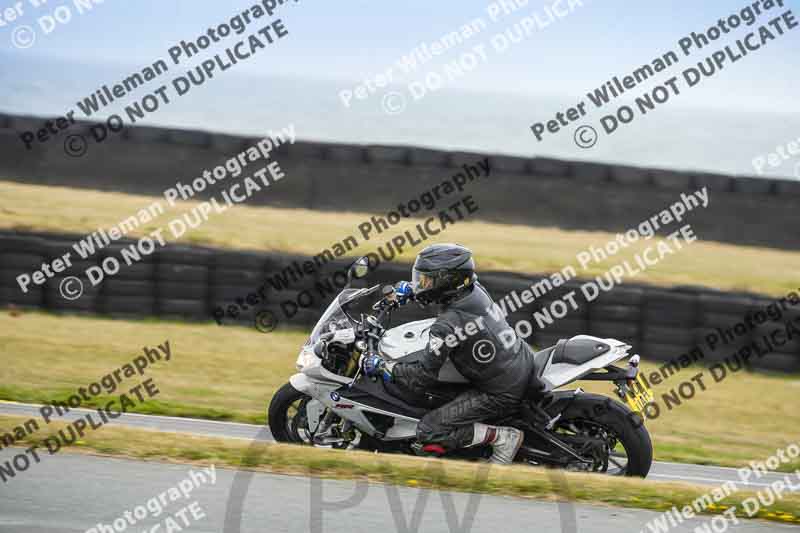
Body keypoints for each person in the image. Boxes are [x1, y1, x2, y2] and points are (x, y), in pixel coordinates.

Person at [360, 243, 545, 464]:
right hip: (516, 360)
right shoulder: (474, 291)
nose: (421, 283)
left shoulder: (447, 324)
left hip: (499, 391)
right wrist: (412, 289)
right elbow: (435, 293)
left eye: (426, 279)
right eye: (420, 278)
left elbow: (421, 377)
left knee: (430, 429)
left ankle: (503, 438)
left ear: (447, 281)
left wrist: (381, 365)